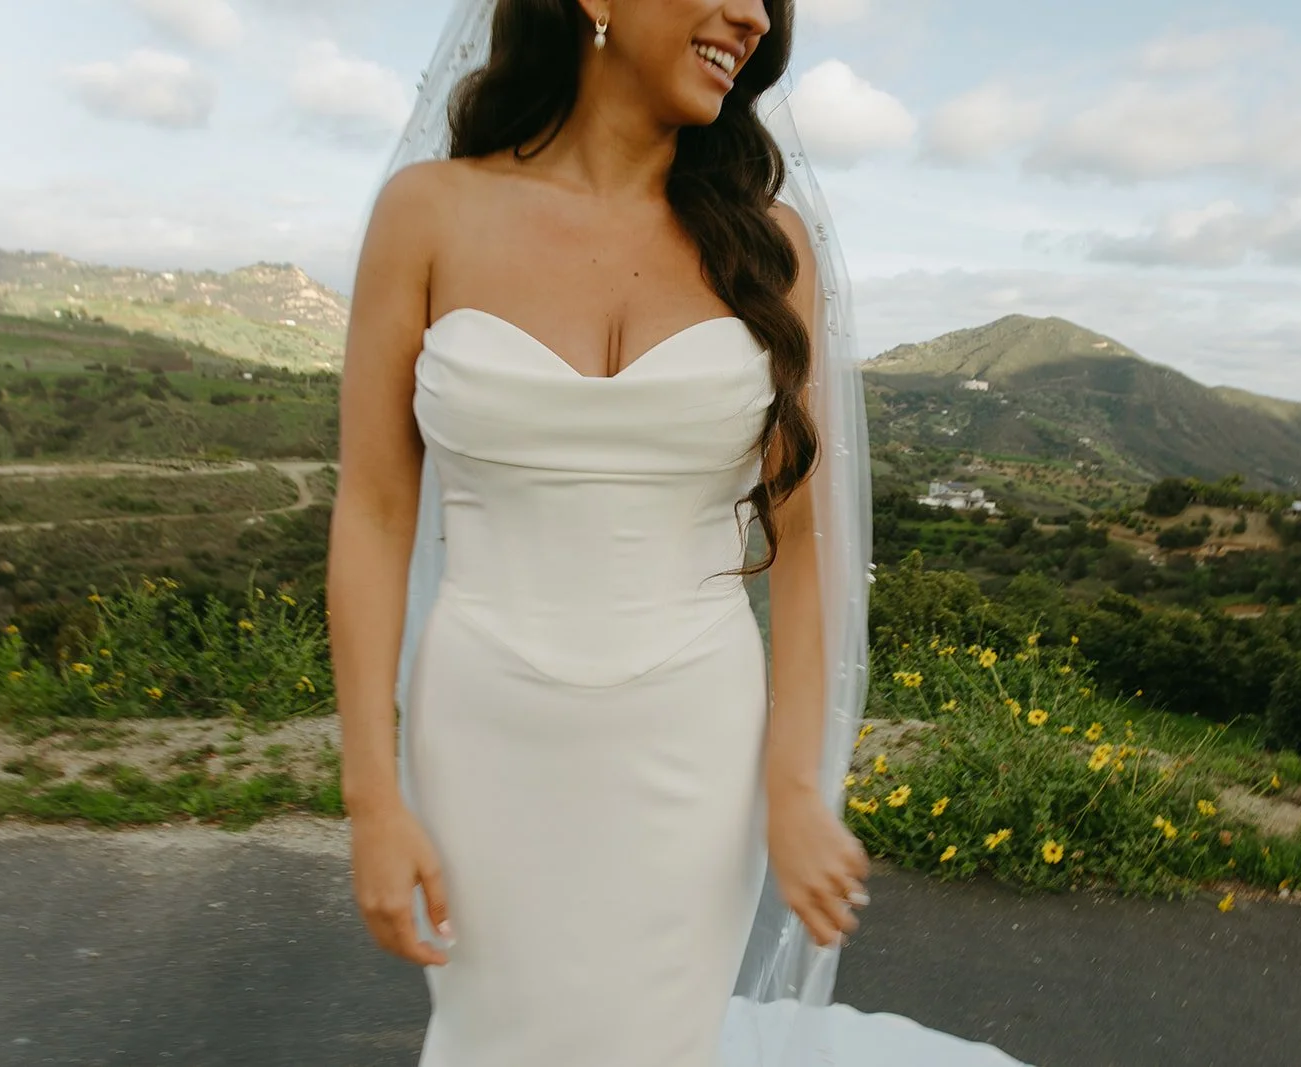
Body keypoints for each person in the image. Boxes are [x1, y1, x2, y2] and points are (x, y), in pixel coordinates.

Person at [328, 1, 1028, 1064]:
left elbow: (804, 547)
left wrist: (792, 782)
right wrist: (371, 796)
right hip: (481, 735)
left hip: (691, 741)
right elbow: (375, 511)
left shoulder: (769, 249)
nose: (750, 14)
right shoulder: (427, 214)